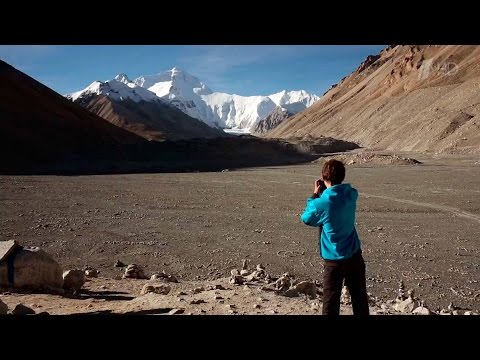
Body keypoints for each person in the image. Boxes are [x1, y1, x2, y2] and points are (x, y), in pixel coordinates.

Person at [300, 159, 369, 315]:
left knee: (330, 303)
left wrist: (315, 195)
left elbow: (306, 218)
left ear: (324, 178)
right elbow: (344, 193)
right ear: (342, 176)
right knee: (360, 300)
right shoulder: (351, 194)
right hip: (354, 254)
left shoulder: (321, 203)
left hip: (333, 260)